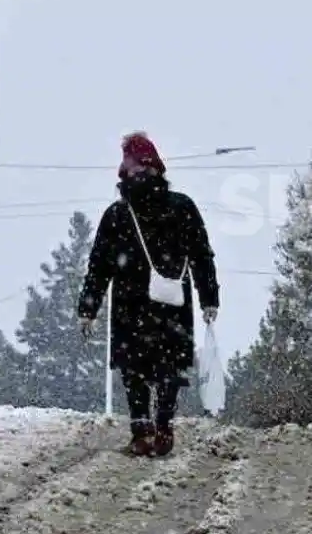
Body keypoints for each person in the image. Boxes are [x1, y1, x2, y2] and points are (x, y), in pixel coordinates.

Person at [78, 131, 220, 457]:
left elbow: (99, 266)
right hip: (172, 303)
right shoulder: (182, 207)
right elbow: (202, 255)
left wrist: (89, 307)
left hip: (131, 305)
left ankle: (142, 430)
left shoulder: (117, 215)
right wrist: (209, 298)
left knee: (135, 369)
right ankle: (164, 426)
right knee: (169, 367)